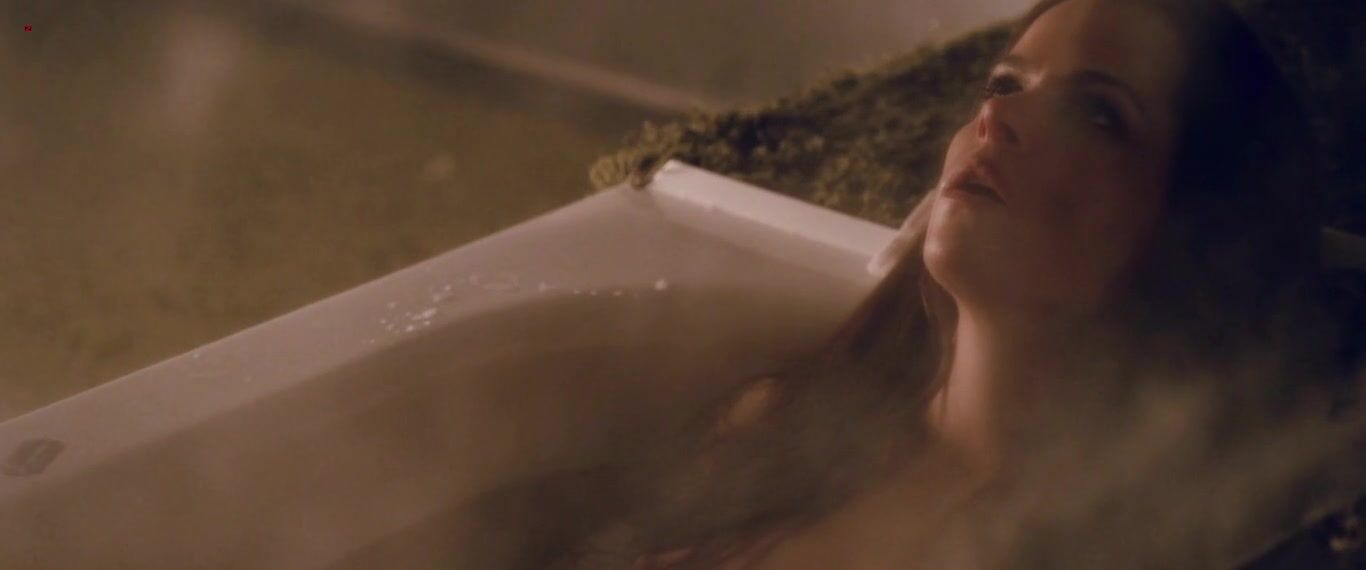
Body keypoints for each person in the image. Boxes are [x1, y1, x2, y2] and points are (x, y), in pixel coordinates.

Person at [554, 0, 1364, 567]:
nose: (996, 118)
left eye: (1098, 114)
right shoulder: (778, 425)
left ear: (1195, 238)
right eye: (1006, 83)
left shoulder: (1140, 546)